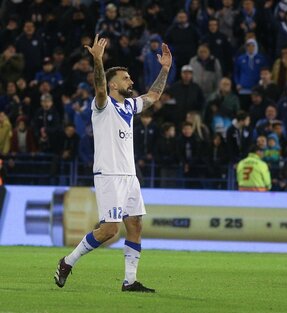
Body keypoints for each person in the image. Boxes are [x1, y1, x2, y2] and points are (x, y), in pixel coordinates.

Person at [54, 34, 172, 293]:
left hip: (129, 175)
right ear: (113, 84)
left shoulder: (129, 106)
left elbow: (152, 95)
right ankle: (67, 262)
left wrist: (164, 69)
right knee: (108, 230)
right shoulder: (102, 106)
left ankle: (129, 281)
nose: (131, 81)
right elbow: (98, 87)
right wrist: (97, 60)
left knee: (136, 224)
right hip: (108, 175)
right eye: (125, 78)